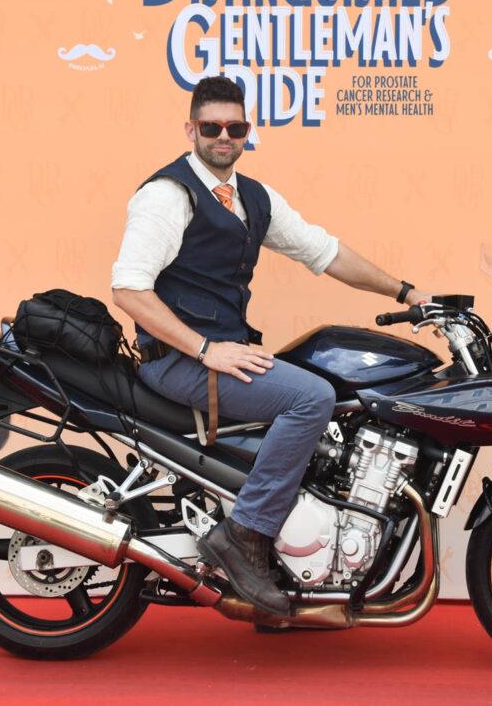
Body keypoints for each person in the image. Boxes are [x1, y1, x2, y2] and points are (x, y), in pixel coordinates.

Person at [111, 75, 430, 616]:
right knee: (310, 397)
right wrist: (206, 349)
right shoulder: (168, 196)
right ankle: (245, 536)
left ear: (247, 132)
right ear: (190, 129)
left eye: (235, 128)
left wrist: (408, 293)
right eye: (211, 127)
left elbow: (325, 253)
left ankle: (291, 557)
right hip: (179, 361)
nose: (223, 137)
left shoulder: (254, 198)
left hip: (218, 355)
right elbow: (128, 290)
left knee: (328, 392)